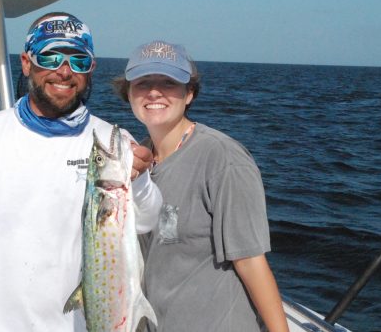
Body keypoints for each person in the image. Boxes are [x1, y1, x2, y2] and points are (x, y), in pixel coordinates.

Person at [0, 13, 162, 332]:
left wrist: (138, 183)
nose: (64, 70)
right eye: (50, 56)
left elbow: (147, 220)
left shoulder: (113, 142)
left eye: (78, 60)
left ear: (92, 68)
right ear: (27, 63)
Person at [112, 40, 289, 332]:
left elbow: (251, 261)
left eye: (168, 83)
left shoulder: (222, 158)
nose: (154, 92)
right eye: (143, 83)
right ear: (128, 93)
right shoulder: (132, 166)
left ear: (189, 93)